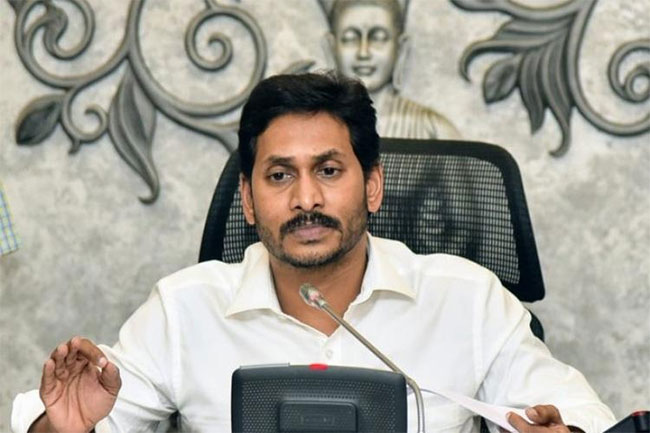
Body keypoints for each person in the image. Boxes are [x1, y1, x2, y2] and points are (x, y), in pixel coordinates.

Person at [12, 72, 615, 433]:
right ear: (247, 199)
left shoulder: (467, 299)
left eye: (328, 170)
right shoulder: (183, 310)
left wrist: (565, 430)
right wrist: (60, 427)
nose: (306, 199)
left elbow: (578, 413)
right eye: (279, 176)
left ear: (372, 186)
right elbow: (76, 420)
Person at [322, 0, 461, 139]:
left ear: (401, 48)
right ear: (331, 47)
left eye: (378, 38)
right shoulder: (318, 126)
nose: (363, 52)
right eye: (350, 38)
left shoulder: (434, 129)